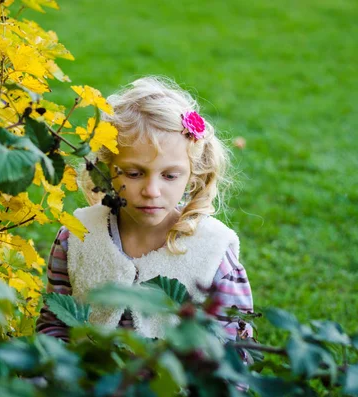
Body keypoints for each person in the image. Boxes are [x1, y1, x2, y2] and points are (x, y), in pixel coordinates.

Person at [36, 76, 254, 344]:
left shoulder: (213, 252)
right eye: (134, 173)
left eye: (170, 176)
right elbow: (54, 325)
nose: (151, 190)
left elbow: (235, 346)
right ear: (106, 169)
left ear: (192, 175)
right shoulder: (77, 237)